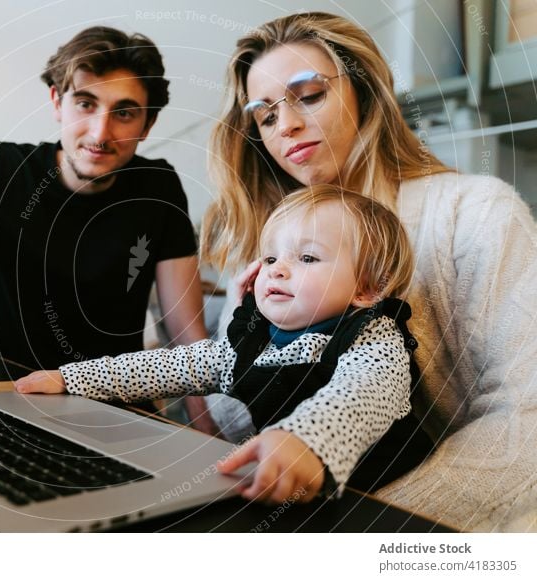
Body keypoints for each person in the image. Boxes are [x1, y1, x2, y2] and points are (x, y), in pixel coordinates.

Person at [191, 12, 537, 531]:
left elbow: (525, 422)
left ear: (365, 92)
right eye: (265, 116)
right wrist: (245, 327)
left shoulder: (478, 214)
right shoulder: (277, 248)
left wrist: (366, 531)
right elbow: (239, 424)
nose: (285, 124)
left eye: (308, 95)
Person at [15, 185, 430, 503]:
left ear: (367, 288)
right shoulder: (250, 339)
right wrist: (73, 379)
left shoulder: (373, 337)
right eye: (270, 259)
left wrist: (304, 439)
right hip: (284, 485)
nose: (278, 271)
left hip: (374, 496)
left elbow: (361, 394)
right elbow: (172, 367)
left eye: (306, 258)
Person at [0, 26, 207, 371]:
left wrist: (203, 420)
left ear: (147, 124)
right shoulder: (1, 169)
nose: (99, 133)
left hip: (113, 406)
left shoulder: (159, 189)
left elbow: (186, 335)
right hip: (6, 395)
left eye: (124, 113)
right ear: (58, 102)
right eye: (85, 104)